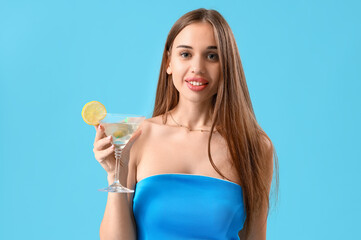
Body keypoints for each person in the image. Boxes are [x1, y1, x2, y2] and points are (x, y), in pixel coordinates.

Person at [93, 8, 278, 240]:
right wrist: (114, 175)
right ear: (168, 62)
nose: (197, 68)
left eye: (212, 56)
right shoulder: (136, 135)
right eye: (185, 54)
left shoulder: (256, 147)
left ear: (227, 67)